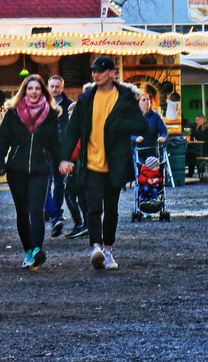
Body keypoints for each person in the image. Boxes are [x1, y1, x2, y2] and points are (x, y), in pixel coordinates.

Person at [58, 56, 150, 270]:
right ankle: (96, 248)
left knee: (111, 209)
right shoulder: (86, 99)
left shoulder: (125, 97)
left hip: (115, 164)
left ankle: (108, 250)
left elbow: (141, 126)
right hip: (90, 162)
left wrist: (119, 124)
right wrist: (64, 157)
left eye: (99, 71)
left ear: (111, 73)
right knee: (93, 207)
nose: (95, 75)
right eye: (93, 71)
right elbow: (72, 130)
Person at [0, 74, 62, 270]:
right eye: (30, 88)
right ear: (24, 91)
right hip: (17, 170)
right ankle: (28, 251)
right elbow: (1, 141)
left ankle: (36, 252)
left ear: (42, 92)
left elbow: (56, 145)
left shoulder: (50, 115)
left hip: (40, 169)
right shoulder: (13, 114)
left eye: (37, 89)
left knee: (36, 211)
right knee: (22, 212)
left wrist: (63, 161)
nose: (33, 92)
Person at [46, 74, 80, 239]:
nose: (54, 89)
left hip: (61, 150)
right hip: (46, 149)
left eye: (57, 86)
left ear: (62, 87)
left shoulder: (69, 105)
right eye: (52, 86)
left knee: (60, 183)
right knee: (45, 183)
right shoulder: (43, 104)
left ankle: (56, 211)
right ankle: (53, 213)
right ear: (48, 87)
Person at [186, 110, 208, 179]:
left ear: (202, 120)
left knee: (191, 153)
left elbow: (206, 141)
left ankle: (191, 173)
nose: (196, 122)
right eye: (196, 120)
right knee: (190, 152)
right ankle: (191, 173)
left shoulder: (207, 129)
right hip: (202, 148)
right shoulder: (200, 129)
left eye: (198, 120)